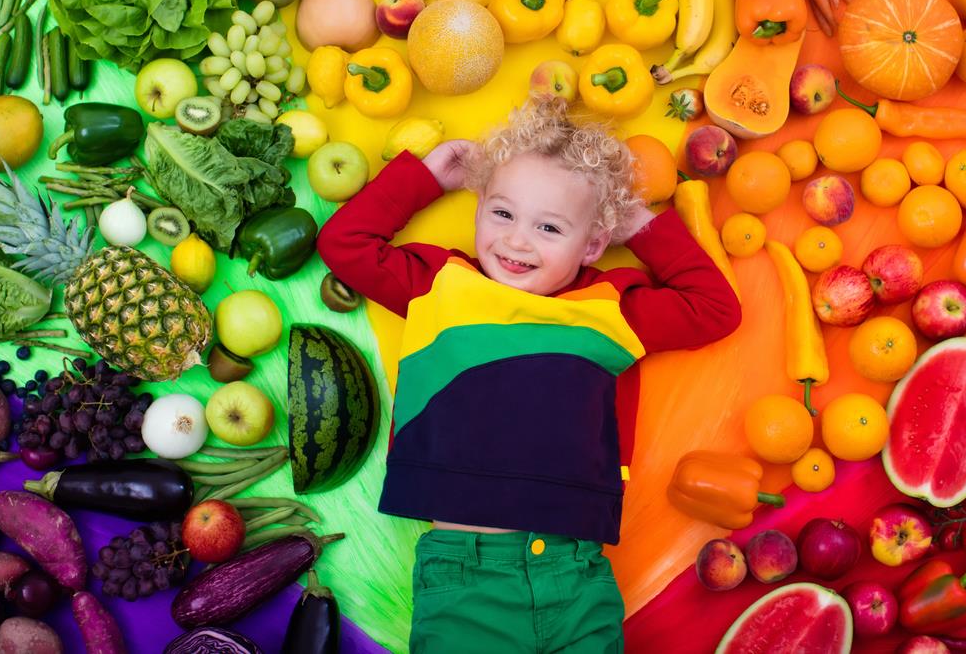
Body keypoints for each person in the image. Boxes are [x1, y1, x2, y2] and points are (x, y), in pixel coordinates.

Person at [317, 98, 741, 653]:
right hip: (465, 579)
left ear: (593, 245)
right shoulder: (440, 285)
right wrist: (425, 179)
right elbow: (343, 244)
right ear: (478, 210)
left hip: (577, 574)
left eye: (549, 227)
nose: (517, 241)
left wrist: (639, 225)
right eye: (502, 214)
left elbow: (716, 309)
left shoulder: (609, 306)